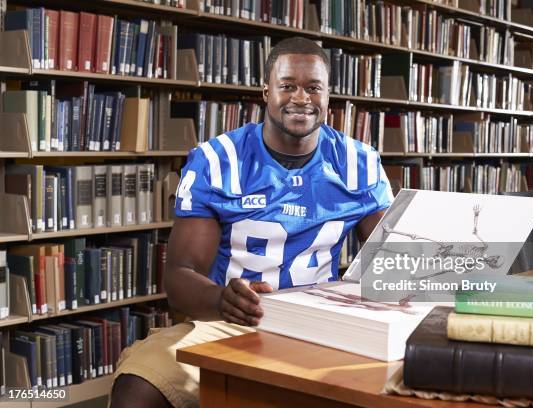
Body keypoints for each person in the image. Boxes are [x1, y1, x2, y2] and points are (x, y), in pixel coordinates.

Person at [110, 36, 393, 408]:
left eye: (313, 88)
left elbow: (391, 262)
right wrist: (222, 299)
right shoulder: (217, 159)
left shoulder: (359, 163)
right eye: (287, 85)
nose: (301, 98)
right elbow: (180, 274)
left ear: (328, 97)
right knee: (138, 389)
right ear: (265, 91)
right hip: (230, 323)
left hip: (322, 327)